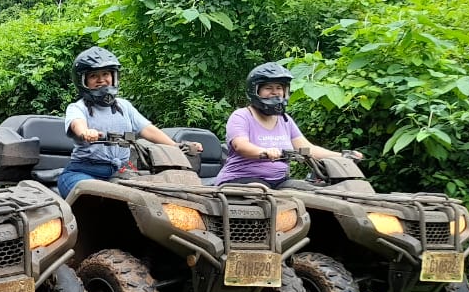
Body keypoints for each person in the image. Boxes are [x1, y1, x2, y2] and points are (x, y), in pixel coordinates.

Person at [58, 46, 203, 199]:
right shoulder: (77, 107)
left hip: (121, 173)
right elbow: (76, 123)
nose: (101, 79)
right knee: (95, 195)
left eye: (106, 73)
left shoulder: (124, 106)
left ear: (114, 76)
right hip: (83, 172)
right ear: (83, 81)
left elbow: (148, 130)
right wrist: (85, 132)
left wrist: (177, 147)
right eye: (94, 75)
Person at [213, 61, 362, 189]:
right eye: (268, 88)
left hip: (279, 182)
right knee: (261, 195)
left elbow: (308, 149)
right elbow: (241, 146)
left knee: (314, 192)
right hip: (240, 181)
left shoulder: (285, 120)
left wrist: (342, 156)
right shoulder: (242, 116)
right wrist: (265, 151)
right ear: (255, 91)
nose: (275, 93)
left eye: (279, 88)